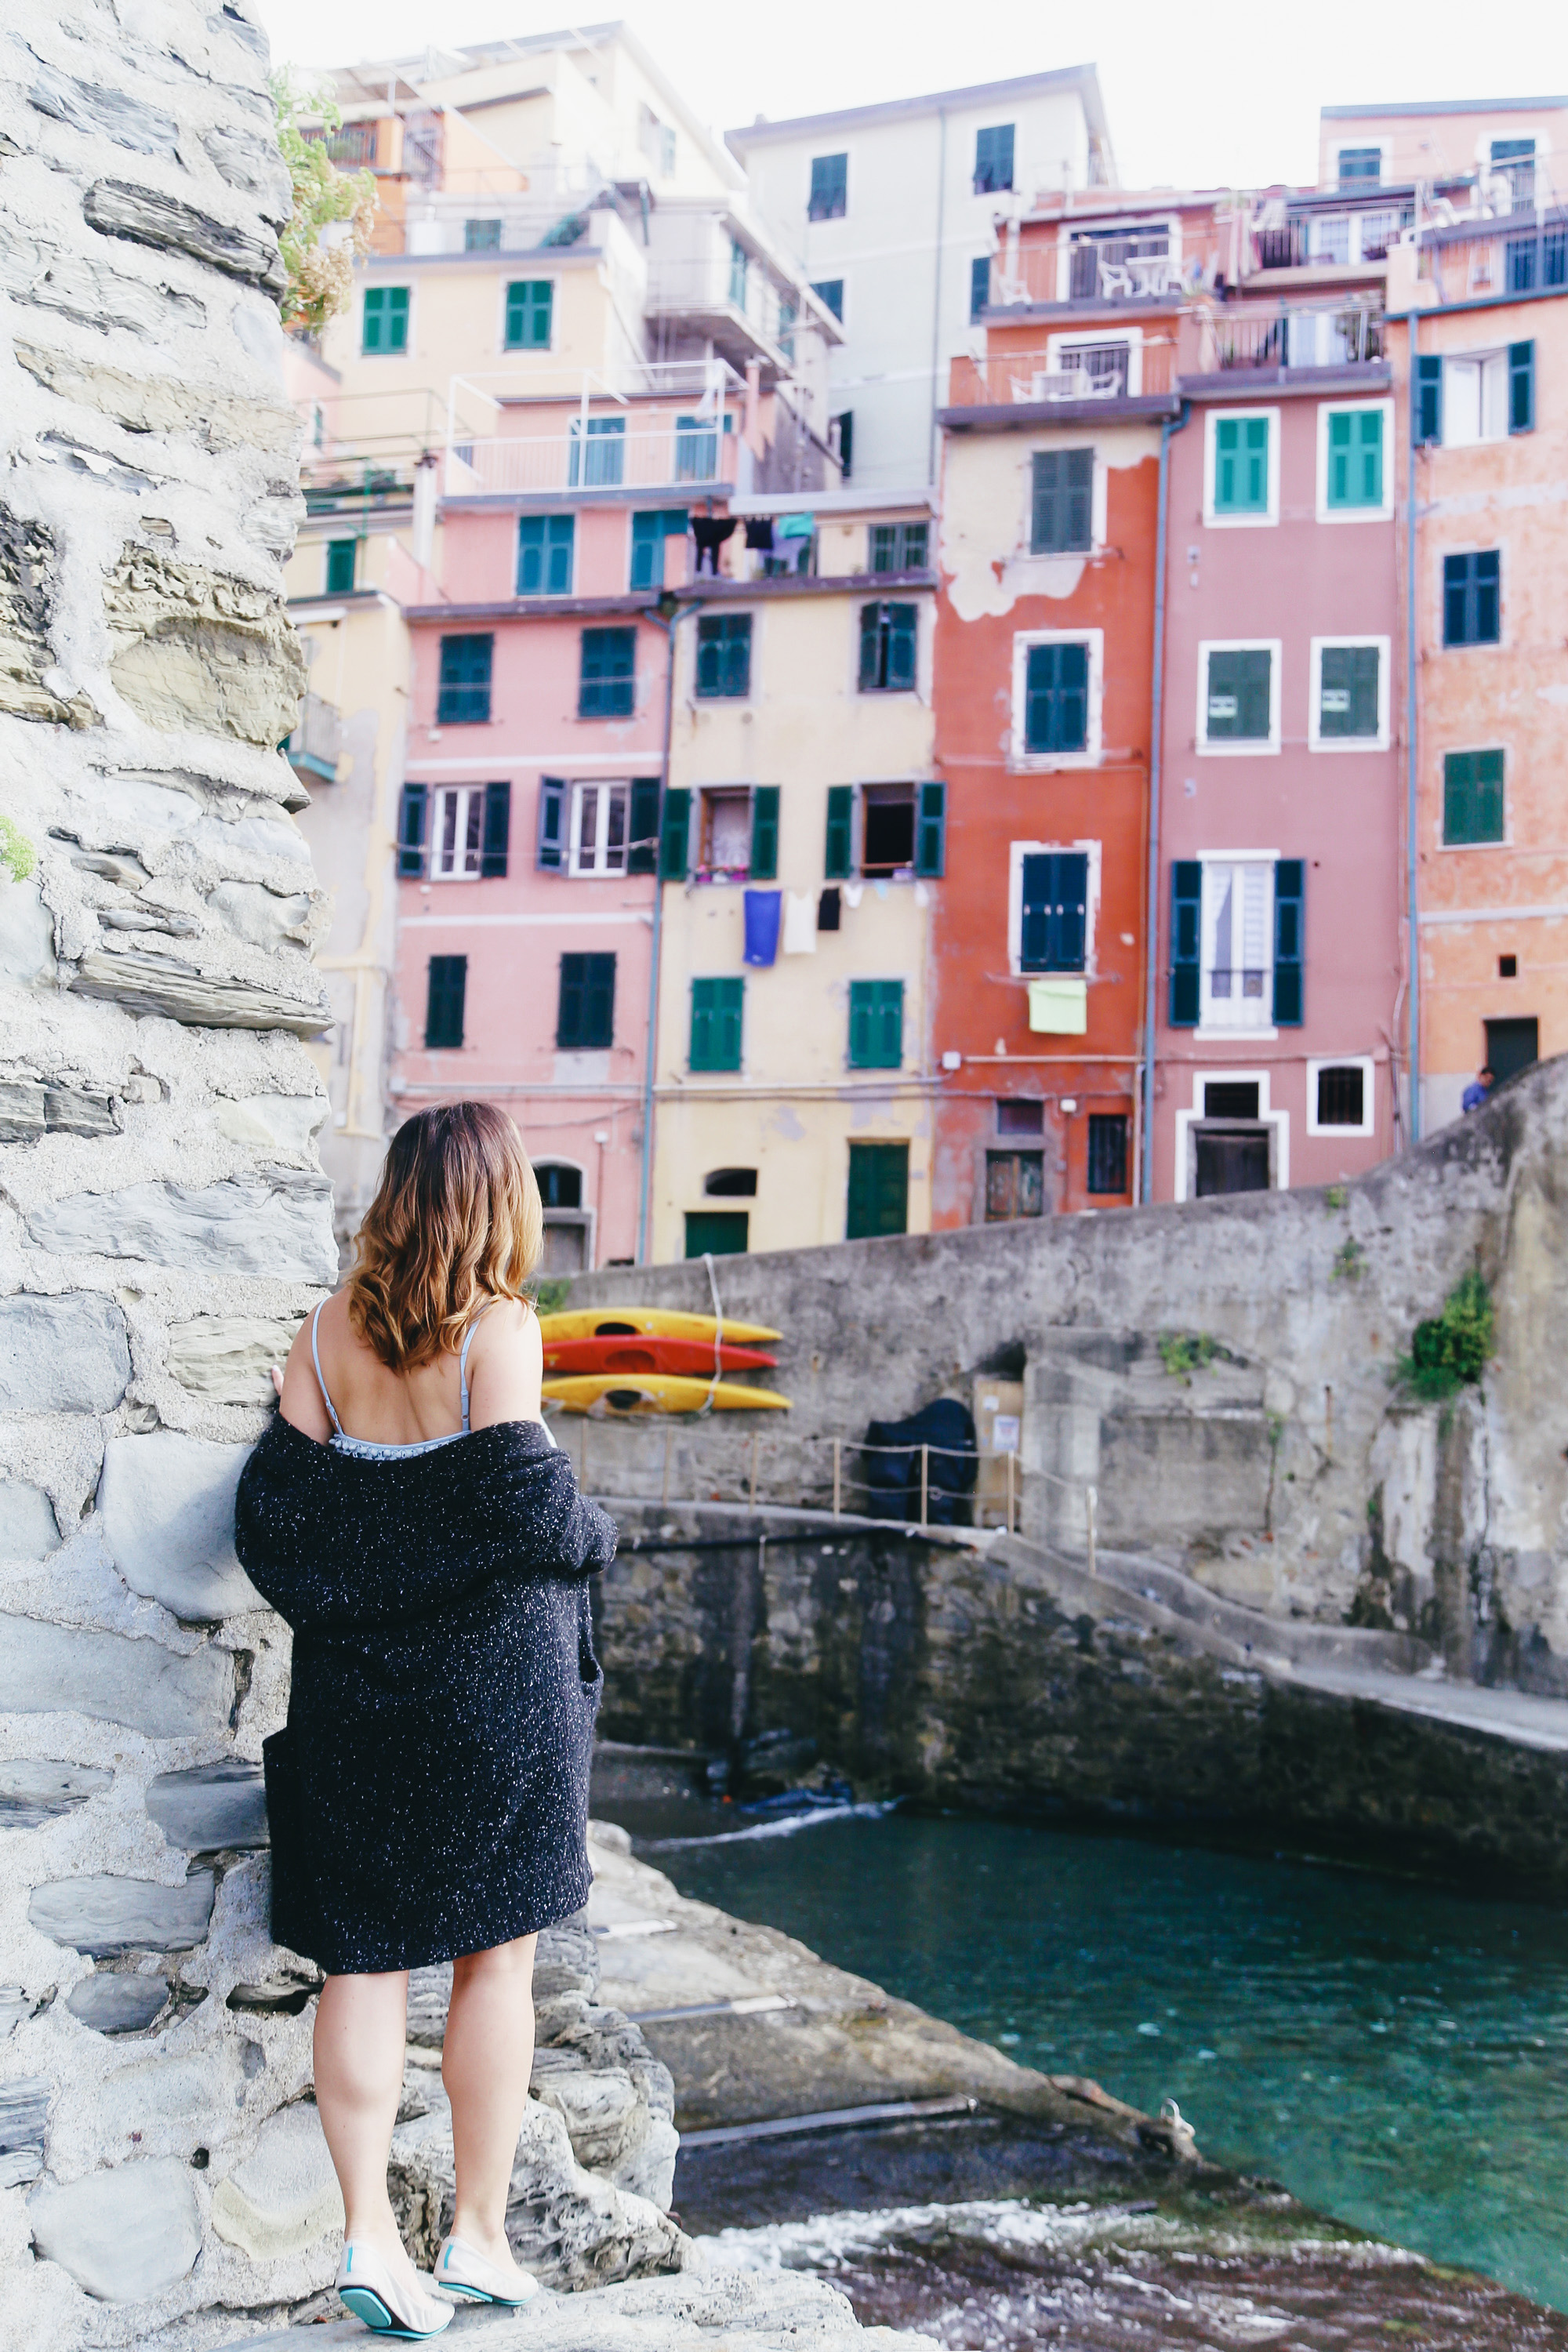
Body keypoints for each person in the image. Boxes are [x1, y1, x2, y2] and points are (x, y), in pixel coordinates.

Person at [236, 1103, 615, 2339]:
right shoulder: (500, 1330)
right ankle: (481, 2240)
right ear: (499, 1202)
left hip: (354, 1684)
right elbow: (528, 1512)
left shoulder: (326, 1332)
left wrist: (370, 1577)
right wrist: (596, 1534)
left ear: (399, 1195)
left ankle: (367, 2239)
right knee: (492, 1957)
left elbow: (278, 1518)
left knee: (364, 1959)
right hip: (491, 1695)